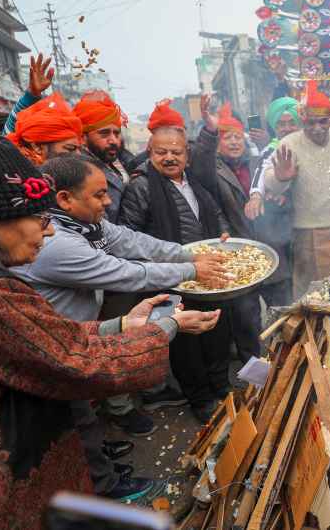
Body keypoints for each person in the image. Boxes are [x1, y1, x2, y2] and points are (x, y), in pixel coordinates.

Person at [0, 133, 218, 530]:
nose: (49, 231)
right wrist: (168, 326)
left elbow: (44, 340)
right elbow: (76, 363)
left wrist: (123, 325)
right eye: (39, 220)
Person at [11, 154, 228, 501]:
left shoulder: (87, 224)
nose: (109, 200)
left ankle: (95, 462)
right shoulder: (57, 242)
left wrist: (186, 254)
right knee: (76, 417)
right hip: (57, 343)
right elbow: (125, 271)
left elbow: (135, 243)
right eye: (98, 195)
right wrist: (190, 271)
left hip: (83, 331)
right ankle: (105, 485)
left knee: (85, 412)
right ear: (65, 199)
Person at [120, 101, 233, 423]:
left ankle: (221, 386)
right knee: (186, 342)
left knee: (215, 329)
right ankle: (200, 399)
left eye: (176, 152)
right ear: (150, 153)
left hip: (207, 272)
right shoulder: (141, 186)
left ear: (187, 154)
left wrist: (222, 232)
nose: (169, 158)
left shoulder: (193, 182)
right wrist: (170, 262)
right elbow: (129, 236)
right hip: (170, 278)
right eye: (161, 153)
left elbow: (214, 212)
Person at [264, 81, 330, 298]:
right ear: (302, 120)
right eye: (310, 123)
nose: (317, 128)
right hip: (308, 233)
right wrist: (281, 179)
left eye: (322, 121)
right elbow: (270, 182)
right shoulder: (289, 144)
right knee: (314, 298)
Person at [191, 102, 262, 362]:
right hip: (237, 251)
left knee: (279, 310)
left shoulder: (256, 163)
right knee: (247, 319)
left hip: (268, 246)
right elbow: (200, 164)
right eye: (226, 137)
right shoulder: (213, 169)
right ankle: (256, 376)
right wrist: (209, 132)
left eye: (237, 136)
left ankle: (284, 362)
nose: (233, 142)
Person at [241, 96, 301, 307]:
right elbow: (260, 172)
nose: (286, 128)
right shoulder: (272, 149)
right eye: (281, 124)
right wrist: (256, 195)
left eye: (291, 122)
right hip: (284, 232)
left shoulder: (308, 143)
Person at [74, 89, 133, 223]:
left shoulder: (123, 162)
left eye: (116, 134)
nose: (113, 140)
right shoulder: (80, 171)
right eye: (104, 134)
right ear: (83, 138)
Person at [7, 92, 84, 166]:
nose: (79, 155)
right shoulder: (14, 173)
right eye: (70, 148)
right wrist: (31, 94)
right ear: (37, 148)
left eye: (79, 149)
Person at [2, 52, 56, 135]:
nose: (78, 148)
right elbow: (7, 139)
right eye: (70, 147)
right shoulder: (6, 146)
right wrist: (30, 96)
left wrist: (32, 95)